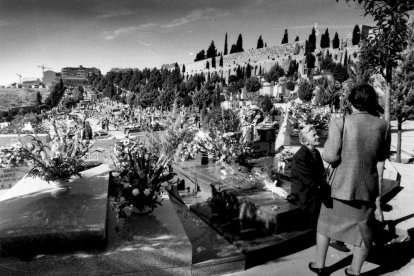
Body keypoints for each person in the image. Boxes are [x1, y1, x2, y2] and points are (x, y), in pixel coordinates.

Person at [309, 83, 391, 276]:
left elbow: (330, 157)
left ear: (351, 102)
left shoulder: (340, 122)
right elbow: (382, 156)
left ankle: (320, 266)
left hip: (339, 188)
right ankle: (354, 271)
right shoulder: (383, 125)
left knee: (325, 226)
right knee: (363, 231)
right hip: (366, 190)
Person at [290, 125, 324, 227]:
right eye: (314, 135)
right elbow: (309, 180)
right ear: (305, 141)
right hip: (304, 197)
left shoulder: (315, 152)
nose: (317, 137)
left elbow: (320, 172)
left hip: (313, 193)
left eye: (317, 134)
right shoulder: (301, 156)